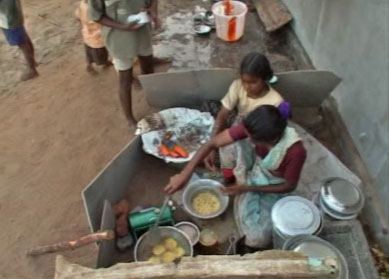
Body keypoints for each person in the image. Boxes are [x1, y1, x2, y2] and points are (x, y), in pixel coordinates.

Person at [165, 105, 306, 248]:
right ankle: (228, 178)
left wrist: (247, 188)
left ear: (272, 139)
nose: (249, 140)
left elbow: (289, 186)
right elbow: (212, 143)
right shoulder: (255, 128)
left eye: (254, 139)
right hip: (255, 163)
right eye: (248, 135)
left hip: (270, 182)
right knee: (228, 145)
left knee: (258, 238)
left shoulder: (295, 152)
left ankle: (239, 191)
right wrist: (185, 174)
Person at [206, 52, 290, 179]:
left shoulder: (276, 102)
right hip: (240, 123)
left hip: (256, 136)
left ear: (265, 79)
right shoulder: (238, 85)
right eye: (244, 81)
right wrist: (211, 147)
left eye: (253, 82)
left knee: (235, 156)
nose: (247, 87)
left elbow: (273, 138)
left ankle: (230, 175)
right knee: (208, 107)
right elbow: (223, 115)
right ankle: (226, 168)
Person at [88, 0, 159, 126]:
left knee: (148, 67)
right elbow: (96, 15)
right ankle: (130, 119)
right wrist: (122, 27)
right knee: (125, 78)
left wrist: (153, 10)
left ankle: (153, 99)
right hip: (119, 37)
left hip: (142, 31)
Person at [0, 0, 38, 81]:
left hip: (8, 15)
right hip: (12, 11)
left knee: (22, 43)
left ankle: (32, 69)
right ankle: (32, 63)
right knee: (24, 38)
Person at [75, 0, 112, 75]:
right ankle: (91, 66)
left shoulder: (83, 3)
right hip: (96, 34)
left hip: (88, 33)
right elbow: (98, 19)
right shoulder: (90, 7)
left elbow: (77, 16)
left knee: (90, 51)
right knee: (98, 52)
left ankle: (94, 64)